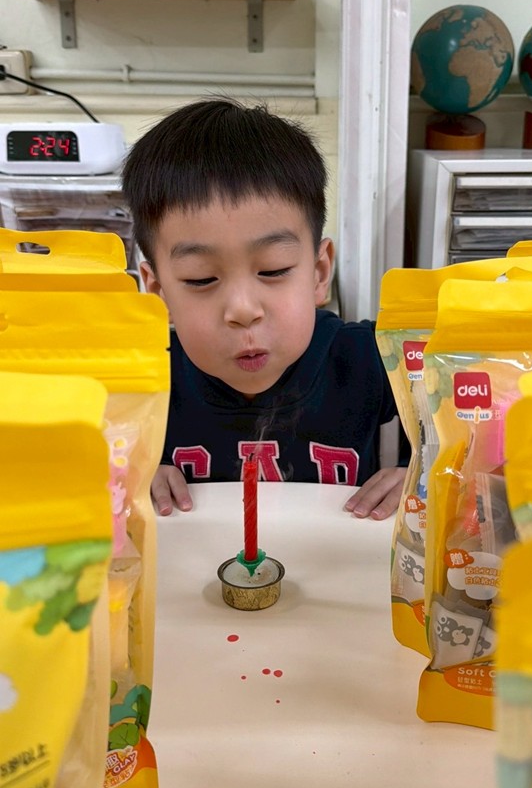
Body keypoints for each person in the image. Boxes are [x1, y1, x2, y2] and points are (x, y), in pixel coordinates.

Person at [122, 98, 408, 520]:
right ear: (158, 292)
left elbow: (476, 428)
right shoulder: (140, 382)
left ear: (318, 272)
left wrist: (424, 474)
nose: (243, 310)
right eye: (201, 278)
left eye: (273, 270)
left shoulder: (366, 358)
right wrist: (131, 474)